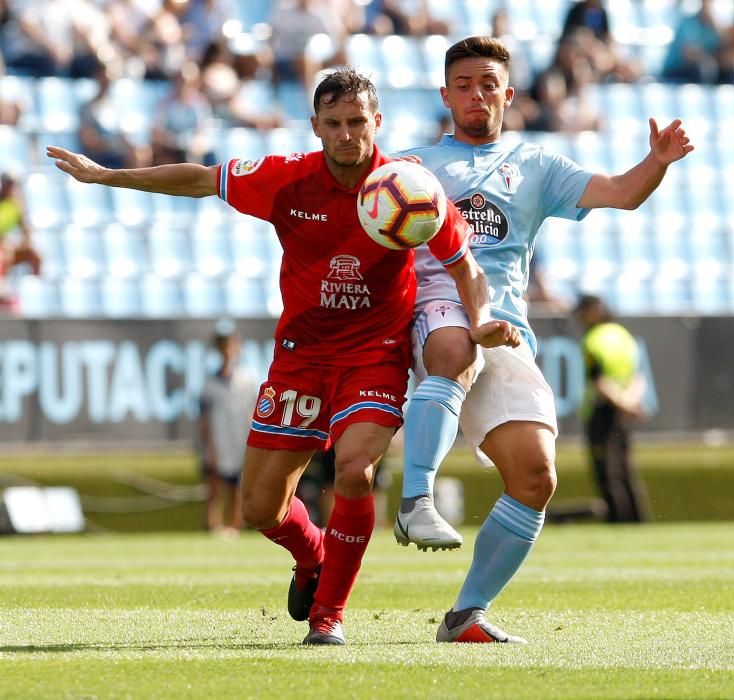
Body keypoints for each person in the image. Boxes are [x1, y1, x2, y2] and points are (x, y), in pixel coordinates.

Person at [46, 68, 520, 646]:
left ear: (378, 122)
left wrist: (480, 321)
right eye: (334, 124)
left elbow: (464, 267)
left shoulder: (411, 188)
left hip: (375, 352)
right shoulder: (286, 178)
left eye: (357, 122)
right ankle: (312, 552)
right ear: (315, 126)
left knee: (355, 472)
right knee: (260, 508)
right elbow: (200, 179)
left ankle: (329, 617)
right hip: (301, 357)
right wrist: (108, 176)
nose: (347, 135)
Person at [393, 36, 692, 643]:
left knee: (536, 477)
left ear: (508, 92)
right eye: (464, 85)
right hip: (433, 317)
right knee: (453, 350)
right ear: (445, 95)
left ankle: (465, 614)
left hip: (504, 332)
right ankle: (414, 501)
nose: (477, 95)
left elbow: (620, 193)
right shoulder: (409, 168)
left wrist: (656, 162)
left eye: (488, 84)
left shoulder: (536, 166)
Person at [573, 293, 649, 523]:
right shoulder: (623, 336)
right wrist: (630, 403)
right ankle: (638, 519)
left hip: (603, 411)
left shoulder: (592, 340)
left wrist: (622, 402)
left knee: (607, 470)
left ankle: (618, 520)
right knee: (626, 469)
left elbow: (600, 381)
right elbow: (638, 376)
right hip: (625, 410)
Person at [198, 319, 260, 537]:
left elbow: (254, 411)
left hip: (240, 439)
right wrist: (209, 447)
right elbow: (204, 418)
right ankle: (213, 525)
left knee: (237, 486)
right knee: (214, 485)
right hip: (219, 440)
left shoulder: (247, 379)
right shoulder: (209, 383)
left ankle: (235, 526)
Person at [0, 172, 41, 312]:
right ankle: (3, 287)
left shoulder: (16, 206)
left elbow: (26, 229)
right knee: (5, 253)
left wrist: (26, 242)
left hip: (5, 246)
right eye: (7, 183)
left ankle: (37, 292)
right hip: (3, 247)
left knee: (34, 255)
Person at [661, 0, 726, 85]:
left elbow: (721, 52)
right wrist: (707, 61)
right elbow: (689, 53)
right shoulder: (688, 23)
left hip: (699, 72)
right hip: (675, 72)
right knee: (703, 70)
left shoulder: (714, 29)